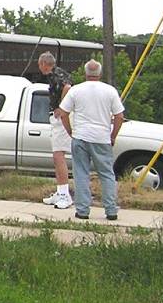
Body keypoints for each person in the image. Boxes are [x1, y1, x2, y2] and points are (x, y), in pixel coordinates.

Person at [57, 59, 124, 221]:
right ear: (99, 74)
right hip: (102, 138)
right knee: (107, 174)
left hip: (81, 136)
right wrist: (112, 135)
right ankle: (111, 210)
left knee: (81, 173)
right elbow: (119, 116)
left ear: (85, 73)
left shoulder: (76, 90)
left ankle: (82, 210)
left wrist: (70, 131)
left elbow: (63, 113)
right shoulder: (110, 91)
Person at [37, 51, 74, 210]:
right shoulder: (60, 73)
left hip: (60, 118)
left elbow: (68, 87)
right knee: (56, 156)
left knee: (59, 156)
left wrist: (61, 107)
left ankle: (65, 194)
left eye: (40, 64)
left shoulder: (55, 76)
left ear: (44, 64)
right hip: (57, 118)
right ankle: (60, 191)